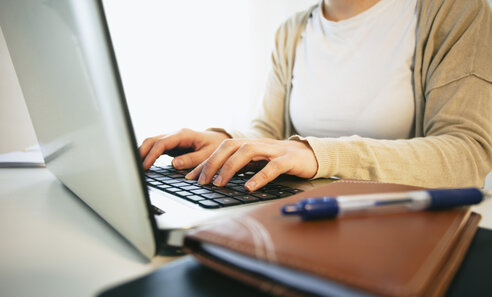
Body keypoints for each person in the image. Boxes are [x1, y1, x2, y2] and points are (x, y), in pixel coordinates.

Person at [139, 0, 492, 192]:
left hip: (397, 226)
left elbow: (468, 154)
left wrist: (318, 154)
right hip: (299, 215)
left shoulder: (454, 12)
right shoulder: (292, 31)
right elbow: (269, 131)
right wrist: (223, 142)